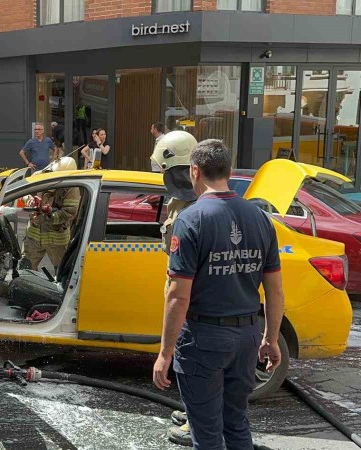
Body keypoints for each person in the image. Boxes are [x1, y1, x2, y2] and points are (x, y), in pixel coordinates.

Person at [152, 139, 284, 450]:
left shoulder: (192, 219)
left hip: (204, 340)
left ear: (194, 171)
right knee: (236, 424)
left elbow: (178, 297)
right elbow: (275, 289)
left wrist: (165, 353)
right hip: (247, 337)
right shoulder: (260, 218)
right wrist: (271, 338)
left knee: (207, 436)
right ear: (230, 171)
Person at [149, 130, 200, 445]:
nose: (162, 176)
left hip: (191, 302)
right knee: (186, 363)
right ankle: (192, 409)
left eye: (165, 170)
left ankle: (197, 422)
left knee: (192, 364)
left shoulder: (195, 210)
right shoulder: (178, 202)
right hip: (182, 295)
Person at [21, 157, 81, 271]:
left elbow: (69, 213)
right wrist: (28, 199)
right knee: (25, 269)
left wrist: (49, 216)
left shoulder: (72, 188)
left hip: (57, 239)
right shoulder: (40, 175)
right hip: (34, 235)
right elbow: (24, 192)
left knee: (62, 273)